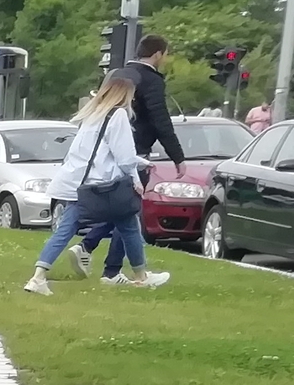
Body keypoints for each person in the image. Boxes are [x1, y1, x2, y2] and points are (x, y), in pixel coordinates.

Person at [24, 74, 167, 294]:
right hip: (102, 185)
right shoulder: (118, 115)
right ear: (125, 94)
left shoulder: (92, 114)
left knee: (65, 230)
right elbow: (125, 157)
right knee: (129, 225)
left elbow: (95, 152)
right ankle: (141, 275)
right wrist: (137, 176)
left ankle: (38, 277)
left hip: (76, 184)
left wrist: (141, 162)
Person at [116, 34, 187, 167]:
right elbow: (160, 120)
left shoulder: (116, 74)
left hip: (108, 149)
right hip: (136, 150)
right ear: (158, 54)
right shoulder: (152, 80)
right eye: (165, 54)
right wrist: (178, 157)